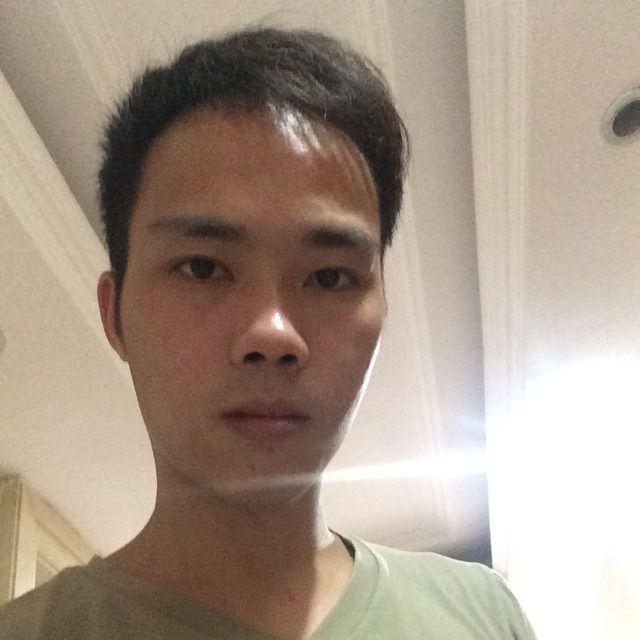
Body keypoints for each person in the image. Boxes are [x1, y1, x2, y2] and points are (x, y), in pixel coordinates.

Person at [0, 27, 537, 640]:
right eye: (202, 268)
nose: (273, 334)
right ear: (114, 314)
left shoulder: (482, 613)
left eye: (330, 276)